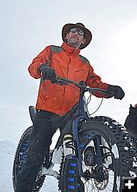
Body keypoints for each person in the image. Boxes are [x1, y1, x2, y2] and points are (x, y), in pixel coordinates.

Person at [15, 22, 125, 192]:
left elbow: (94, 83)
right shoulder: (52, 51)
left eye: (80, 33)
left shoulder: (84, 63)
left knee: (75, 151)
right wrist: (43, 68)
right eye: (73, 31)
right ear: (66, 36)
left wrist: (110, 89)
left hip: (70, 112)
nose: (76, 34)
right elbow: (33, 66)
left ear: (83, 41)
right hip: (47, 111)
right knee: (35, 156)